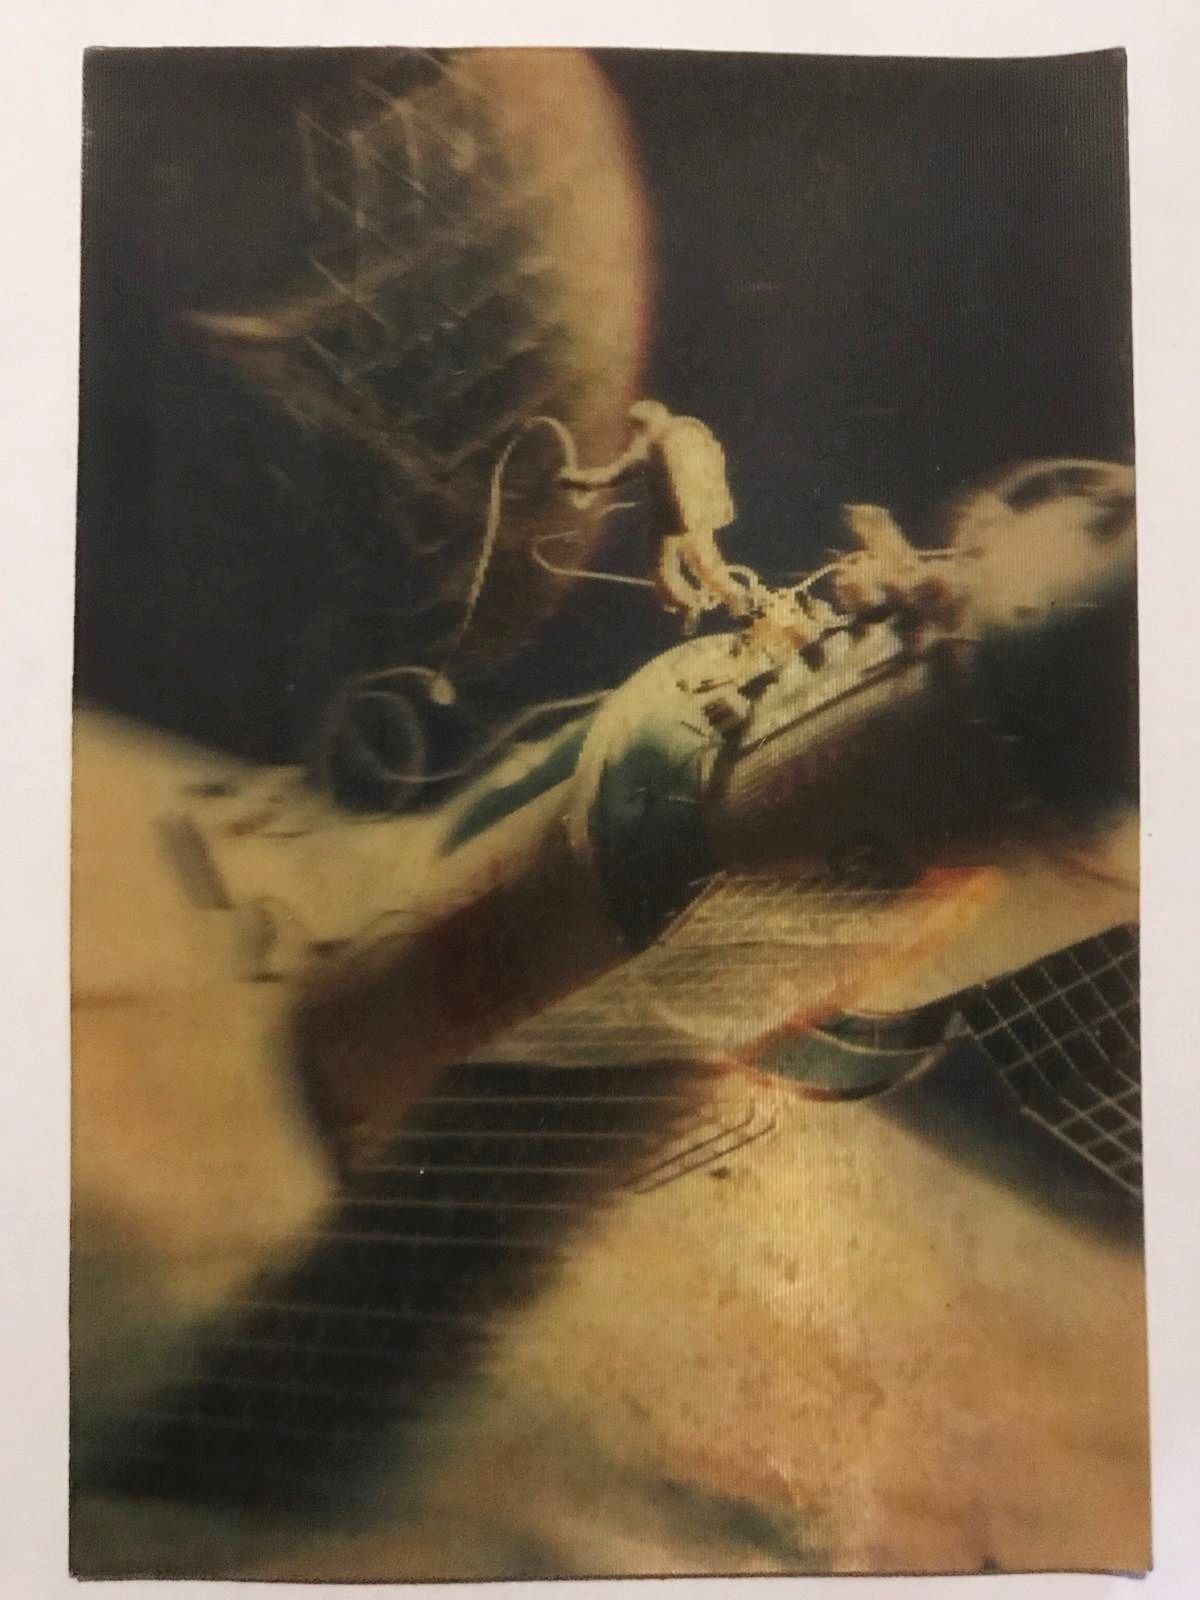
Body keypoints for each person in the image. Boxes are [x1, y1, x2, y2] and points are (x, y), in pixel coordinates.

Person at [557, 399, 752, 631]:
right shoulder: (690, 434)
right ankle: (739, 599)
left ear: (642, 427)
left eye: (635, 429)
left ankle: (687, 605)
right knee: (708, 566)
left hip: (670, 524)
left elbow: (611, 476)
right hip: (699, 517)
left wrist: (572, 478)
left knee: (663, 571)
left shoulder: (649, 451)